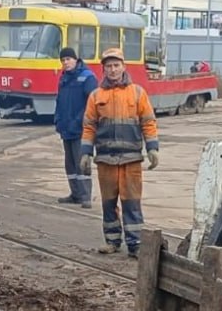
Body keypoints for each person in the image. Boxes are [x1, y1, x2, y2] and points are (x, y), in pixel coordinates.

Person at [79, 47, 159, 258]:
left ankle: (136, 244)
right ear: (103, 69)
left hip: (131, 159)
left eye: (116, 65)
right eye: (109, 66)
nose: (113, 70)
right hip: (105, 159)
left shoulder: (138, 93)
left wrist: (153, 148)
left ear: (124, 67)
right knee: (108, 202)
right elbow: (89, 127)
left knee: (132, 202)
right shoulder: (96, 96)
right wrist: (85, 152)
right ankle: (112, 241)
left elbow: (148, 122)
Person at [53, 46, 97, 208]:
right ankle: (76, 194)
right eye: (63, 60)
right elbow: (60, 101)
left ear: (76, 59)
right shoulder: (64, 78)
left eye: (68, 59)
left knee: (82, 162)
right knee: (70, 164)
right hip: (66, 128)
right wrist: (57, 119)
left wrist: (80, 121)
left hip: (81, 129)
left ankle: (86, 196)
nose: (66, 63)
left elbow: (92, 104)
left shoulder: (87, 77)